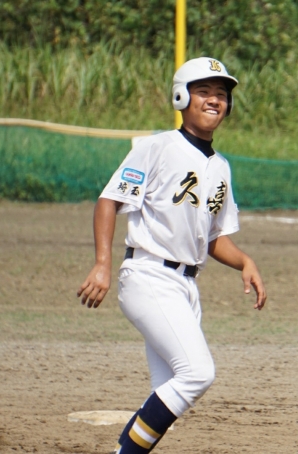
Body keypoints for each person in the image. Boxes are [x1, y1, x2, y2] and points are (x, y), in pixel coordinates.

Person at [76, 57, 267, 454]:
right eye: (204, 91)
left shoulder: (221, 167)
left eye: (221, 94)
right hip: (149, 277)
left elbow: (213, 238)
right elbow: (109, 201)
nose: (214, 100)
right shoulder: (158, 147)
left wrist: (245, 261)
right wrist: (102, 265)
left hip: (185, 287)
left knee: (168, 391)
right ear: (182, 97)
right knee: (197, 373)